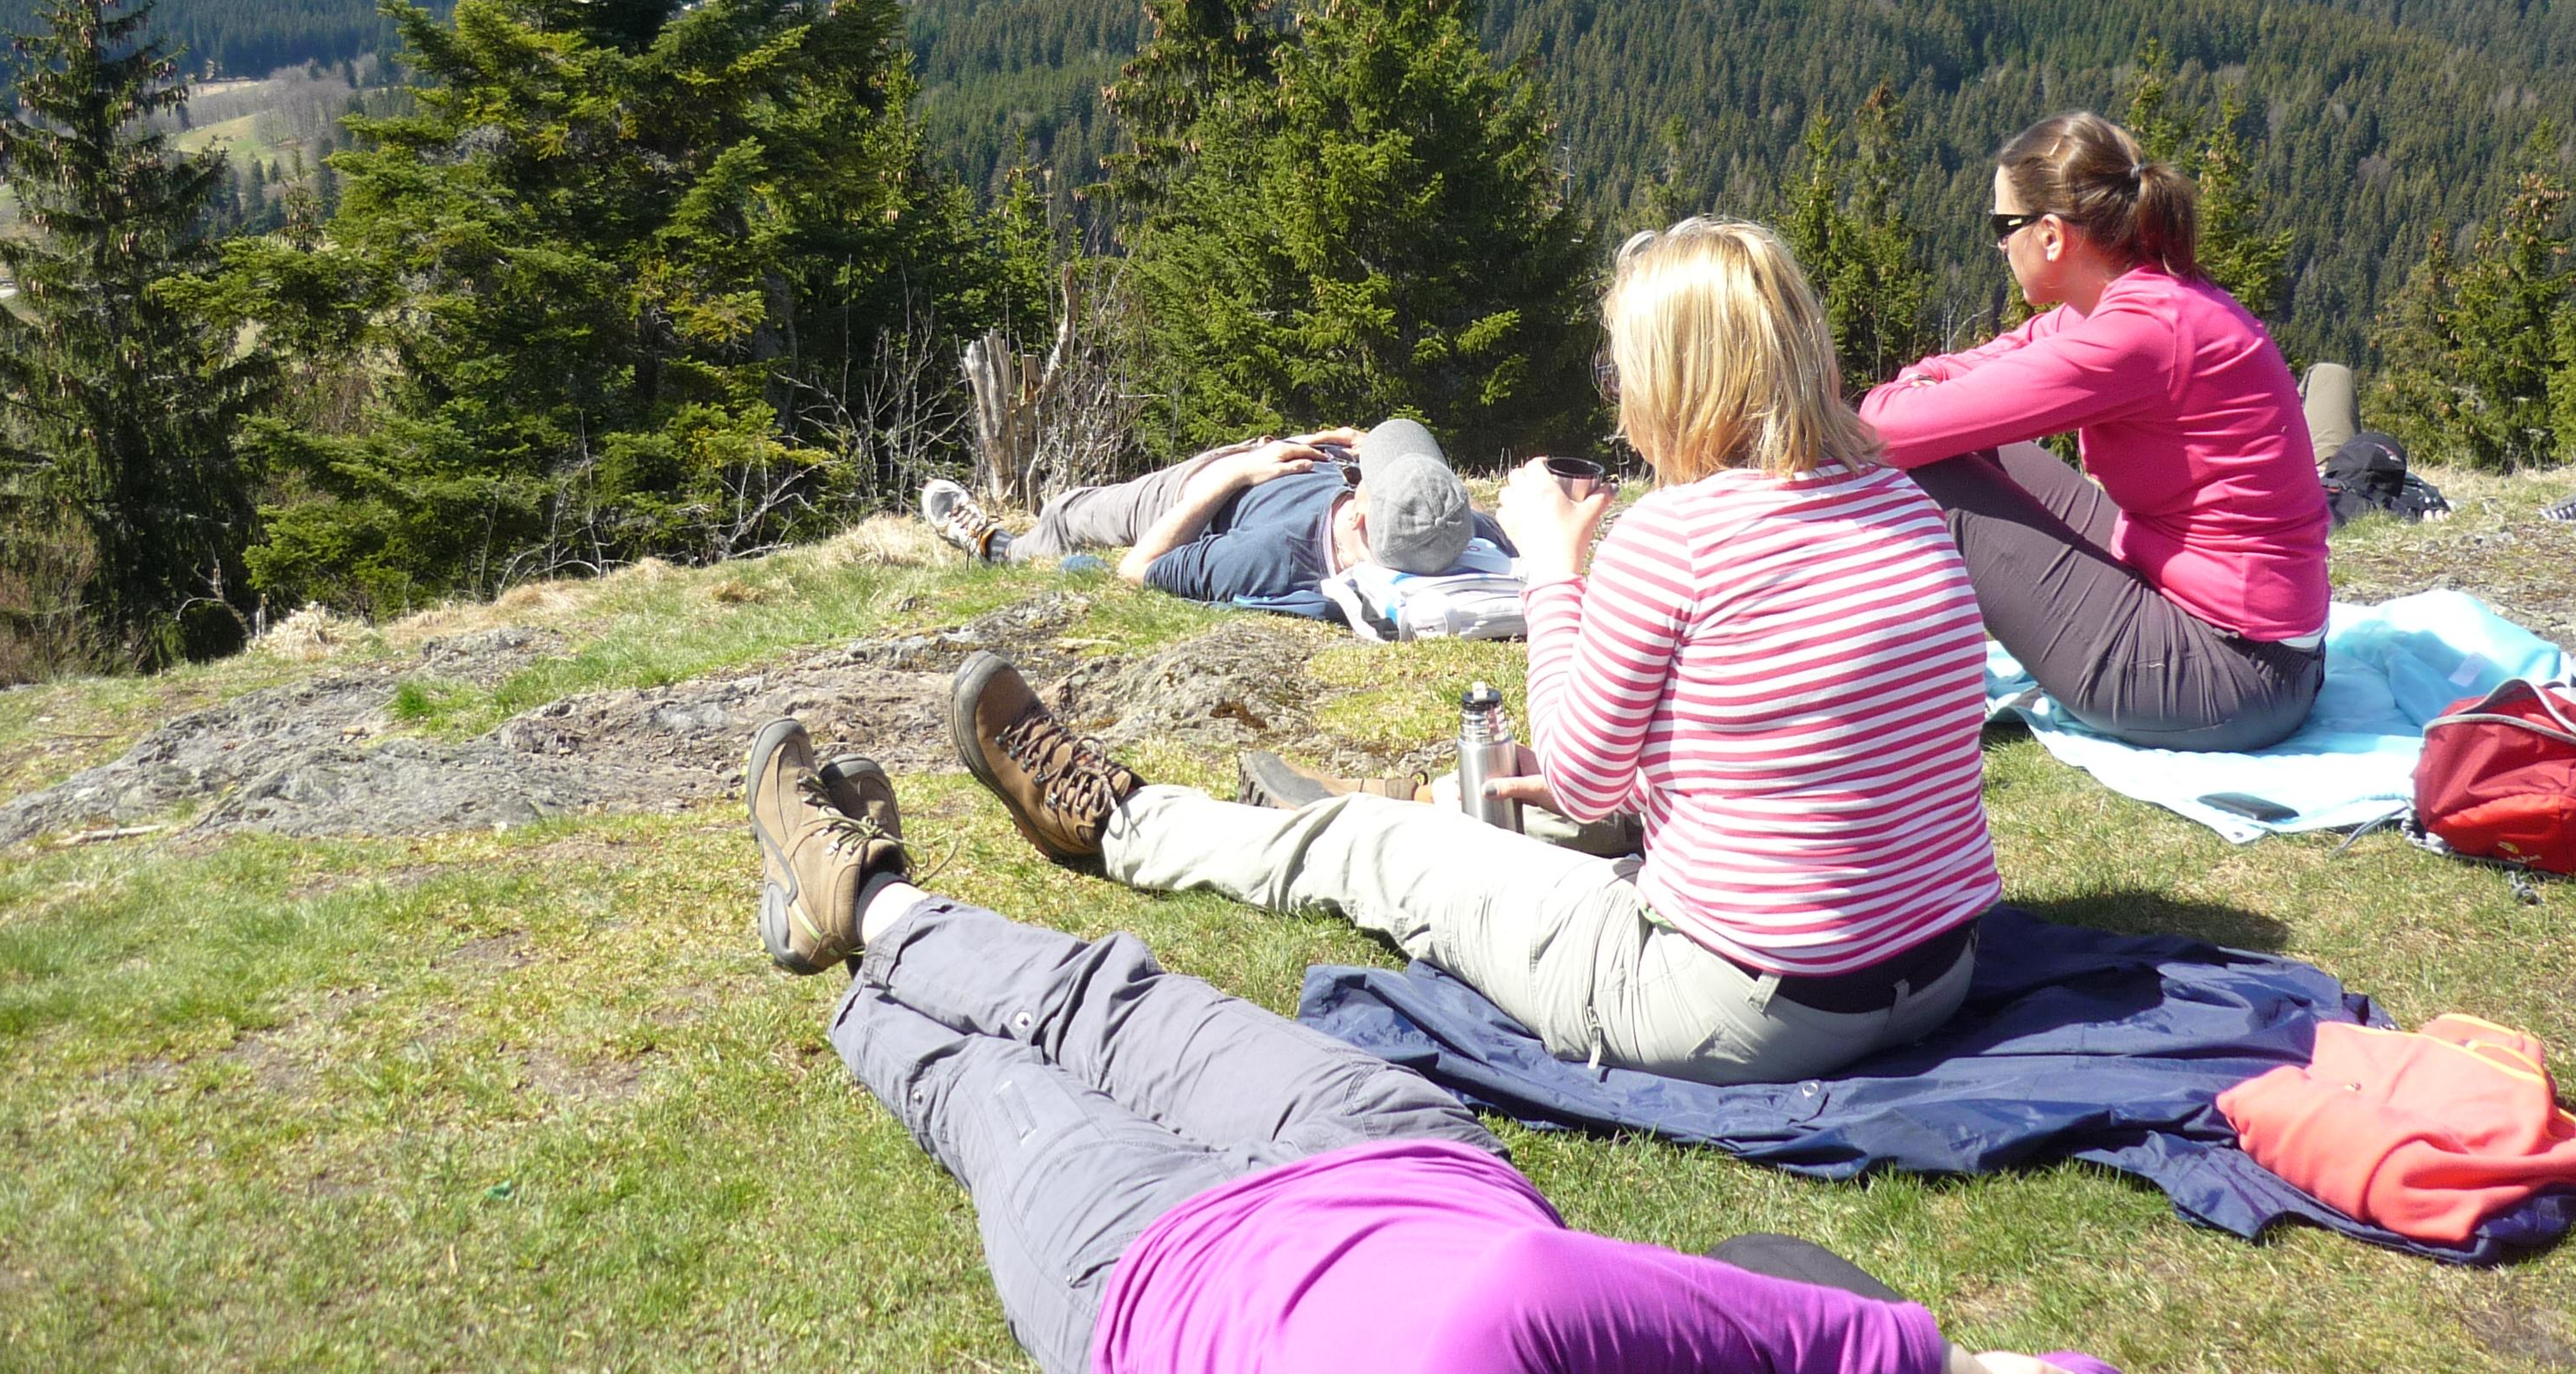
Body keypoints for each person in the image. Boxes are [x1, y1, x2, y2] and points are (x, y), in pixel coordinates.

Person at [945, 221, 2001, 1088]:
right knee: (1518, 804)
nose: (1616, 393)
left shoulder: (1676, 538)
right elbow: (1773, 740)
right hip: (1934, 964)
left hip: (1748, 1006)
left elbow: (1585, 776)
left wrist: (1554, 565)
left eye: (1619, 367)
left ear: (1682, 382)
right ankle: (1378, 801)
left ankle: (1118, 820)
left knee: (1379, 860)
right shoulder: (1898, 504)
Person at [746, 712, 2116, 1374]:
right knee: (1106, 1005)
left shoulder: (1515, 1320)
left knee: (996, 1086)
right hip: (1396, 1161)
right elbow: (1901, 1359)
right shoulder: (1545, 1311)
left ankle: (861, 913)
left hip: (1152, 1284)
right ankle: (875, 906)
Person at [1859, 112, 2331, 753]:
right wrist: (1922, 381)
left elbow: (1885, 431)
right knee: (1966, 443)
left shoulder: (2137, 332)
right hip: (2247, 640)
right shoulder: (2128, 304)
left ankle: (1850, 685)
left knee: (1927, 469)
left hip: (2236, 674)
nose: (2000, 245)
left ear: (2051, 236)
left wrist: (1906, 394)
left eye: (2005, 227)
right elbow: (1965, 372)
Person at [921, 417, 1510, 608]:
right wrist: (1341, 444)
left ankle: (997, 547)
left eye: (1365, 479)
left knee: (1068, 517)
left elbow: (1139, 568)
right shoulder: (1450, 530)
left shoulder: (1267, 558)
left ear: (1360, 515)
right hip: (1287, 460)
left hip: (1196, 494)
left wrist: (1231, 475)